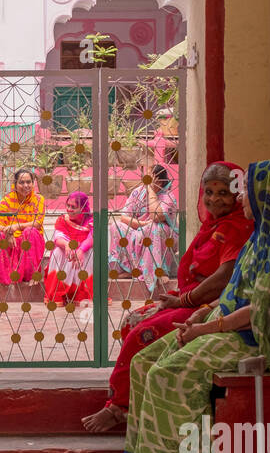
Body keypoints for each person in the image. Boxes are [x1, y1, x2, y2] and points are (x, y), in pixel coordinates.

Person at [108, 159, 270, 453]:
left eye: (245, 192)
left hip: (250, 339)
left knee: (167, 374)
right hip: (220, 323)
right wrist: (200, 314)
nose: (240, 199)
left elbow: (258, 308)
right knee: (144, 363)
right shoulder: (261, 235)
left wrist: (204, 327)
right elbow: (234, 291)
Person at [85, 161, 252, 432]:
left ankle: (119, 409)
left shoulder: (235, 228)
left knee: (143, 333)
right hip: (190, 298)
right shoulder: (213, 225)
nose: (214, 199)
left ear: (238, 195)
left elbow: (224, 278)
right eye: (209, 192)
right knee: (132, 320)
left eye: (223, 193)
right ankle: (130, 404)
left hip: (212, 306)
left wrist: (183, 301)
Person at [109, 164, 178, 292]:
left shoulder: (168, 197)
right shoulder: (138, 192)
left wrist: (151, 190)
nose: (145, 179)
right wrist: (142, 225)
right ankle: (131, 270)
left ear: (159, 181)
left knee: (154, 228)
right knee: (116, 226)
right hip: (140, 229)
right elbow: (124, 217)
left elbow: (155, 216)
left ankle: (158, 270)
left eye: (149, 177)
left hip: (161, 235)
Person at [0, 169, 46, 285]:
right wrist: (8, 232)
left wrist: (16, 227)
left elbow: (38, 223)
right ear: (15, 184)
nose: (26, 186)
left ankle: (32, 275)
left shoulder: (39, 199)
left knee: (30, 232)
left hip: (29, 240)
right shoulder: (6, 200)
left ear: (33, 183)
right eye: (21, 182)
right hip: (11, 241)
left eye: (28, 182)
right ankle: (6, 276)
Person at [43, 191, 94, 304]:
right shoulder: (63, 220)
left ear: (83, 209)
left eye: (73, 207)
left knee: (90, 252)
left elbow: (92, 238)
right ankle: (56, 293)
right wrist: (67, 245)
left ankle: (81, 294)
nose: (69, 209)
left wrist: (81, 250)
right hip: (68, 252)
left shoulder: (91, 220)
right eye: (68, 205)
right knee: (58, 251)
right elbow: (58, 237)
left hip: (82, 252)